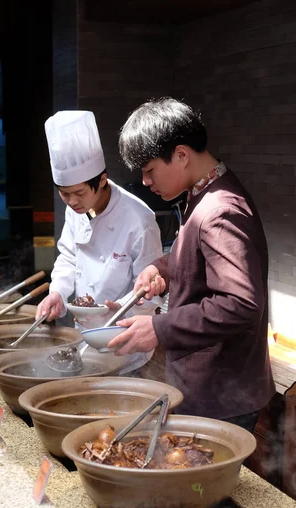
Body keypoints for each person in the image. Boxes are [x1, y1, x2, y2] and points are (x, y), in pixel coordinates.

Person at [108, 97, 275, 431]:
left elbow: (240, 303)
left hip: (221, 393)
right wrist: (162, 269)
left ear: (181, 155)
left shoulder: (219, 210)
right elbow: (201, 254)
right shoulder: (205, 193)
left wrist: (158, 329)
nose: (145, 182)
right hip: (211, 385)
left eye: (149, 170)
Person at [36, 110, 163, 374]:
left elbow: (151, 290)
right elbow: (69, 256)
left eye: (79, 193)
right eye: (64, 194)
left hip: (126, 344)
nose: (71, 202)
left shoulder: (139, 219)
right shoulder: (76, 210)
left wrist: (122, 308)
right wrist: (57, 292)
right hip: (82, 339)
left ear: (102, 180)